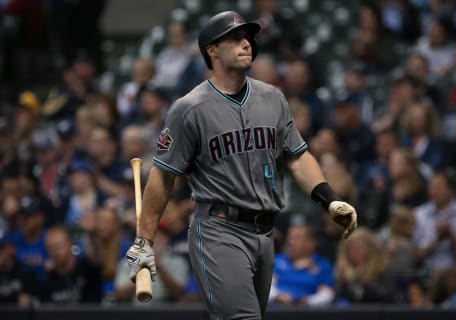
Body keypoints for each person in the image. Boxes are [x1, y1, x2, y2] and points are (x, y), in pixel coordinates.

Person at [125, 11, 357, 320]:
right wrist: (144, 241)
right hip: (218, 230)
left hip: (265, 234)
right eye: (234, 38)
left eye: (247, 37)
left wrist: (330, 199)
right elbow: (163, 176)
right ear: (212, 50)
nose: (246, 43)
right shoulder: (189, 109)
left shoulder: (273, 98)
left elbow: (298, 156)